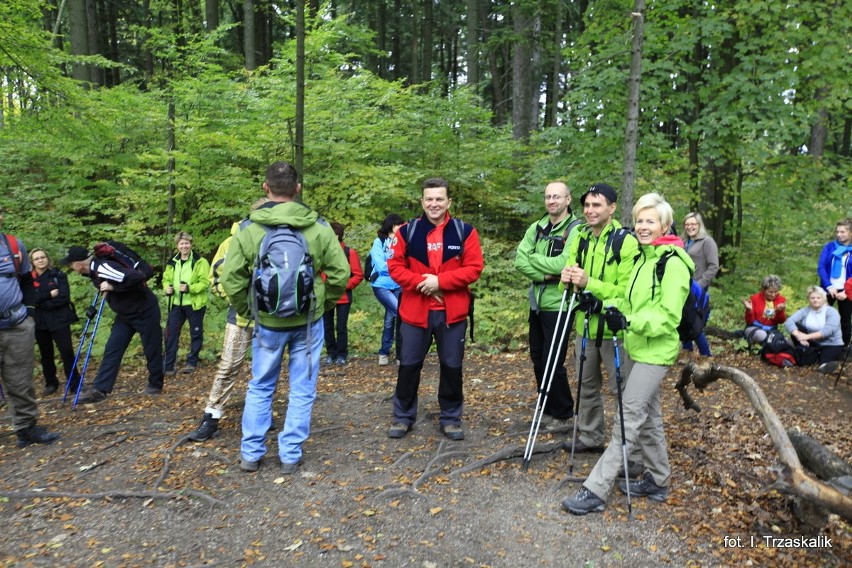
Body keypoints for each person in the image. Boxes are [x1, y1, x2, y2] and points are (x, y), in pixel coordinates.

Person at [562, 192, 691, 515]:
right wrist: (601, 300)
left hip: (655, 352)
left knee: (627, 417)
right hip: (635, 345)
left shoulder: (672, 263)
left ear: (665, 224)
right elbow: (626, 299)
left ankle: (595, 489)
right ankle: (658, 479)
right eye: (639, 221)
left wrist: (628, 320)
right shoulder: (644, 258)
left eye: (650, 221)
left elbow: (668, 317)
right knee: (649, 417)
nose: (643, 227)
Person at [221, 161, 349, 474]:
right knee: (302, 387)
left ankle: (251, 453)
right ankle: (290, 454)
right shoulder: (318, 227)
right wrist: (323, 305)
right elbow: (340, 273)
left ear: (266, 189)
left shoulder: (249, 229)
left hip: (267, 323)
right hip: (308, 323)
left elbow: (231, 278)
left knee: (261, 385)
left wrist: (250, 308)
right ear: (297, 189)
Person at [386, 178, 484, 441]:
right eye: (429, 199)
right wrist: (424, 284)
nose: (434, 204)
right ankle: (403, 416)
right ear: (422, 201)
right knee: (408, 366)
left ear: (448, 202)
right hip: (415, 313)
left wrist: (441, 282)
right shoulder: (407, 232)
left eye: (439, 199)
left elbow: (474, 268)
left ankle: (451, 418)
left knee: (451, 366)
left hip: (451, 313)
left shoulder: (464, 231)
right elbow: (395, 268)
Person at [559, 184, 641, 477]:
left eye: (597, 205)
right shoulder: (579, 236)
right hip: (584, 325)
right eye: (587, 205)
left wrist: (589, 282)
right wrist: (567, 278)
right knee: (586, 385)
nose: (590, 210)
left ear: (612, 208)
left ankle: (632, 453)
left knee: (624, 392)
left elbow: (627, 292)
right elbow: (568, 278)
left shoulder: (625, 242)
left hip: (614, 330)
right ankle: (591, 436)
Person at [187, 197, 268, 442]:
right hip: (241, 315)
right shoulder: (232, 241)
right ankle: (211, 416)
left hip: (271, 317)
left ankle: (261, 414)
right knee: (229, 365)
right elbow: (217, 277)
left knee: (265, 369)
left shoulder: (278, 239)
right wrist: (238, 302)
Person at [513, 181, 580, 424]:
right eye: (548, 197)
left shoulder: (575, 228)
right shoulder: (537, 227)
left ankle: (563, 412)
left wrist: (534, 258)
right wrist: (544, 275)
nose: (552, 201)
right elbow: (520, 261)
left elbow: (565, 263)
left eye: (557, 197)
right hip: (537, 303)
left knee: (553, 360)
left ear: (568, 200)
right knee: (538, 357)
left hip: (560, 303)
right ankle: (547, 406)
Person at [63, 244, 164, 403]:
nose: (71, 268)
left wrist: (113, 287)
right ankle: (99, 390)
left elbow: (137, 277)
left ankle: (156, 384)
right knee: (113, 349)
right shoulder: (94, 273)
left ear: (78, 264)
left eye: (71, 265)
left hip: (145, 311)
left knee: (152, 349)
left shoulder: (103, 267)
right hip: (125, 315)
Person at [0, 221, 61, 447]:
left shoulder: (14, 245)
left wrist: (30, 314)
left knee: (21, 380)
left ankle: (26, 429)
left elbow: (27, 280)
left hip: (16, 324)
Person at [22, 248, 80, 395]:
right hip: (40, 321)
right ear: (32, 262)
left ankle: (74, 383)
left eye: (43, 257)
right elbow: (29, 299)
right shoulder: (28, 279)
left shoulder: (58, 275)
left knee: (67, 351)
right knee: (45, 353)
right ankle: (51, 383)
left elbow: (63, 298)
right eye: (37, 258)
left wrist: (41, 302)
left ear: (48, 258)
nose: (40, 260)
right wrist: (48, 295)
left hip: (59, 319)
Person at [163, 231, 210, 375]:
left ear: (191, 244)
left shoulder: (200, 261)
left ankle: (191, 363)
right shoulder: (172, 262)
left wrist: (190, 288)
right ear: (177, 245)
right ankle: (169, 365)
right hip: (176, 303)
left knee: (195, 333)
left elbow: (205, 282)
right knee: (171, 334)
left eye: (187, 243)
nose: (184, 246)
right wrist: (167, 288)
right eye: (181, 243)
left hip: (194, 303)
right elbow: (165, 279)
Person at [323, 222, 364, 365]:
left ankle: (342, 354)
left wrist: (344, 286)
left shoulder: (349, 252)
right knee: (327, 326)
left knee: (341, 327)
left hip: (343, 296)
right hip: (326, 296)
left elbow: (358, 275)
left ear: (336, 235)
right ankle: (331, 354)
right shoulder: (323, 252)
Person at [369, 214, 405, 366]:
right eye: (400, 225)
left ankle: (389, 353)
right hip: (381, 285)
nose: (402, 227)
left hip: (398, 284)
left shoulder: (402, 241)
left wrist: (398, 268)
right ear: (392, 225)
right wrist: (397, 268)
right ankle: (391, 353)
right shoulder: (379, 242)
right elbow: (380, 265)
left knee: (391, 319)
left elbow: (406, 262)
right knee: (400, 313)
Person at [681, 212, 718, 356]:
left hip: (698, 288)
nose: (690, 227)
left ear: (699, 225)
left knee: (694, 321)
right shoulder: (683, 241)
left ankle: (706, 355)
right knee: (683, 318)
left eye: (693, 224)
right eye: (687, 224)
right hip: (683, 286)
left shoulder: (707, 241)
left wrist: (700, 284)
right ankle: (687, 350)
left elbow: (713, 266)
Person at [784, 286, 844, 374]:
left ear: (823, 299)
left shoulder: (832, 312)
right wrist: (798, 336)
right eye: (812, 298)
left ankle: (825, 364)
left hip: (831, 343)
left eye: (818, 298)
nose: (815, 300)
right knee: (795, 326)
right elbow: (789, 321)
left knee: (824, 362)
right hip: (811, 342)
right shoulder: (805, 310)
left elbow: (828, 330)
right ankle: (803, 352)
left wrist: (806, 336)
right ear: (809, 299)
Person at [817, 218, 852, 347]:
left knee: (845, 321)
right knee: (821, 317)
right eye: (837, 232)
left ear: (850, 233)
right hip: (828, 288)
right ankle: (819, 345)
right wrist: (828, 286)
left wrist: (846, 291)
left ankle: (843, 348)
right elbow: (821, 267)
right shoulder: (829, 246)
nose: (839, 234)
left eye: (843, 232)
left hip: (847, 290)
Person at [742, 275, 787, 346]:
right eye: (770, 292)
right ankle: (766, 343)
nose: (773, 295)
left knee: (781, 339)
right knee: (762, 335)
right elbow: (749, 321)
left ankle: (768, 344)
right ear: (763, 289)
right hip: (754, 328)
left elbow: (781, 321)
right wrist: (749, 310)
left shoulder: (781, 300)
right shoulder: (755, 298)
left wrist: (780, 311)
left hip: (771, 330)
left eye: (776, 292)